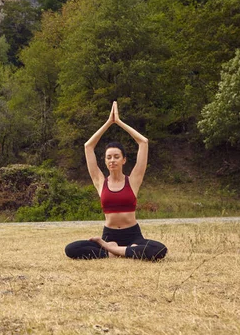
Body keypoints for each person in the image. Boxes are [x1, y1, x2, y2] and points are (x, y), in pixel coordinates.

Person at [64, 101, 167, 261]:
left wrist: (119, 122)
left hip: (133, 235)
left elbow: (143, 142)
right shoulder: (100, 181)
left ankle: (111, 251)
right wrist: (108, 122)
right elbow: (88, 146)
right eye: (109, 157)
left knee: (160, 250)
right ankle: (119, 250)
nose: (112, 160)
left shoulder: (133, 180)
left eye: (116, 156)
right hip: (109, 234)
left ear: (124, 160)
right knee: (71, 249)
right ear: (105, 161)